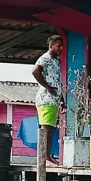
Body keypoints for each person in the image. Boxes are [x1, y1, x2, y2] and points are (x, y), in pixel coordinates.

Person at [32, 34, 63, 165]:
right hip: (46, 99)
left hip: (54, 100)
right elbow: (35, 71)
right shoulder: (44, 58)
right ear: (51, 46)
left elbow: (57, 81)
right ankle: (44, 157)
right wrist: (47, 86)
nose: (61, 48)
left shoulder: (56, 60)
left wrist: (62, 100)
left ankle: (48, 156)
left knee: (50, 129)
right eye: (58, 46)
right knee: (46, 129)